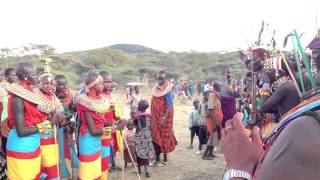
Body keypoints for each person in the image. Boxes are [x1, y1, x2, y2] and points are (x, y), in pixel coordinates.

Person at [2, 62, 59, 179]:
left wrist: (49, 118)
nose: (37, 76)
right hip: (21, 147)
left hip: (33, 144)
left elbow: (33, 120)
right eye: (34, 74)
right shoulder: (18, 98)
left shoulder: (30, 94)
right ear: (25, 76)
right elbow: (21, 131)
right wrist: (48, 123)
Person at [75, 70, 109, 180]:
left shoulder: (99, 99)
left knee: (95, 171)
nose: (103, 85)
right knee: (88, 173)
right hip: (88, 140)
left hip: (96, 141)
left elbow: (101, 122)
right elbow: (94, 131)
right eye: (102, 83)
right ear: (95, 85)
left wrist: (116, 123)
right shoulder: (86, 103)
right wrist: (114, 128)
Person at [55, 74, 79, 179]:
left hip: (69, 128)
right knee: (59, 150)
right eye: (58, 84)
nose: (61, 86)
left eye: (63, 84)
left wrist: (70, 118)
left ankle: (71, 174)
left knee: (70, 148)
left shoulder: (70, 95)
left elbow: (73, 110)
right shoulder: (51, 96)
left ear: (66, 84)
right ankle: (61, 173)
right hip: (56, 127)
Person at [150, 71, 177, 165]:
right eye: (159, 78)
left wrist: (164, 117)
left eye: (162, 78)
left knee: (165, 136)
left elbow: (170, 105)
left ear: (166, 79)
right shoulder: (155, 89)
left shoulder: (168, 91)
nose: (160, 80)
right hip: (155, 118)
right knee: (155, 135)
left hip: (164, 119)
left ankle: (165, 157)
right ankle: (157, 157)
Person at [134, 100, 155, 178]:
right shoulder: (149, 116)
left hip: (139, 137)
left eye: (138, 105)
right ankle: (146, 170)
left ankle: (139, 169)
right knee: (146, 154)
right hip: (148, 137)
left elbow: (138, 128)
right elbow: (151, 127)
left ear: (140, 107)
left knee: (138, 152)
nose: (137, 106)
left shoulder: (137, 117)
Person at [202, 82, 223, 160]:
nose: (221, 87)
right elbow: (210, 109)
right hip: (213, 119)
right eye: (219, 86)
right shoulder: (212, 94)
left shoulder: (217, 95)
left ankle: (210, 153)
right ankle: (205, 154)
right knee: (212, 135)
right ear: (215, 87)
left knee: (215, 135)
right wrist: (216, 120)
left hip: (217, 118)